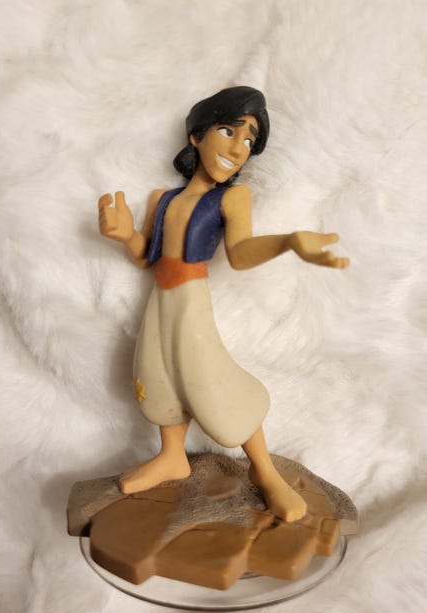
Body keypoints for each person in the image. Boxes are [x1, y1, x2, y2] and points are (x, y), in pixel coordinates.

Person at [98, 86, 349, 522]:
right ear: (197, 136)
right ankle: (172, 455)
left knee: (209, 376)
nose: (238, 148)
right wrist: (125, 236)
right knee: (158, 374)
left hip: (190, 300)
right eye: (229, 132)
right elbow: (146, 256)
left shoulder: (232, 198)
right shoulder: (164, 199)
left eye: (249, 140)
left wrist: (289, 241)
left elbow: (240, 253)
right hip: (161, 301)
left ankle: (264, 470)